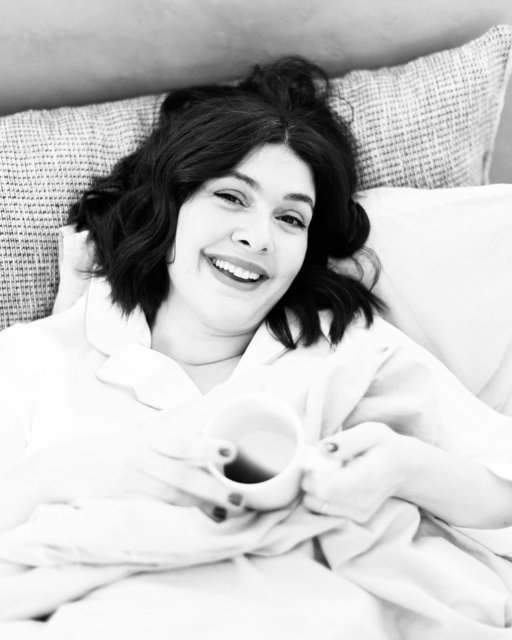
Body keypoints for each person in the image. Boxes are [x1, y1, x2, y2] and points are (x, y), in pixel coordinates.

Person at [1, 56, 512, 637]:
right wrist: (104, 467)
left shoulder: (346, 350)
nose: (258, 237)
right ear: (170, 202)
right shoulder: (35, 360)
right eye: (232, 197)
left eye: (291, 218)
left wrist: (404, 469)